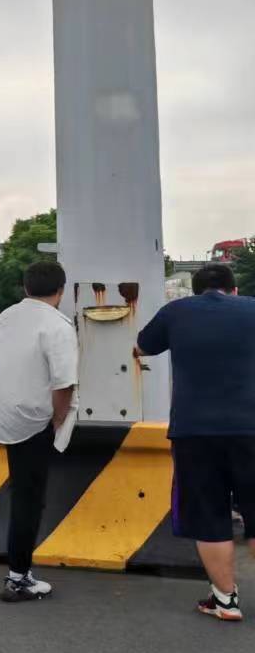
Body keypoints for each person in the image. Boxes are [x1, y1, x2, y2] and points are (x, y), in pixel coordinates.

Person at [135, 261, 255, 622]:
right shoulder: (251, 308)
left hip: (195, 432)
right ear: (234, 290)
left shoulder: (177, 311)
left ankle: (225, 600)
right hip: (251, 428)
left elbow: (141, 347)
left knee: (210, 515)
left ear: (196, 290)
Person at [0, 260, 77, 603]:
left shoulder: (6, 316)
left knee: (22, 490)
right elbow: (64, 383)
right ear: (61, 290)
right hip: (30, 418)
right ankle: (18, 578)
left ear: (25, 288)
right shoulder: (58, 326)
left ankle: (20, 570)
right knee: (29, 497)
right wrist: (58, 419)